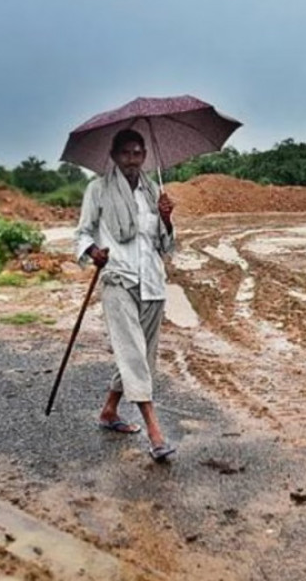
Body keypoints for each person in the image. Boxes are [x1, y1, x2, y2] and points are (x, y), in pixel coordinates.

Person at [74, 128, 177, 461]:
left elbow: (164, 244)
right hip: (119, 280)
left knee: (143, 355)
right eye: (126, 153)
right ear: (114, 156)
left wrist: (166, 218)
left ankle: (109, 411)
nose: (132, 159)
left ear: (144, 155)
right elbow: (83, 232)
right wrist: (93, 252)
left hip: (152, 283)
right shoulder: (98, 189)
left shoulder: (153, 191)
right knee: (133, 354)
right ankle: (155, 433)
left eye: (137, 153)